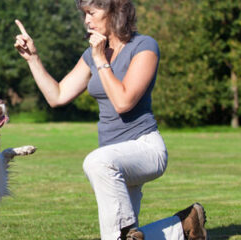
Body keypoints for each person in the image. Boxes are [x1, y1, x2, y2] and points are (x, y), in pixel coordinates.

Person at [13, 0, 207, 239]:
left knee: (96, 162)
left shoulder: (144, 46)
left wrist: (101, 60)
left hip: (145, 148)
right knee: (116, 235)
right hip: (113, 161)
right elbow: (58, 96)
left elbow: (123, 102)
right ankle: (185, 225)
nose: (86, 21)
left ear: (115, 11)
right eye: (84, 14)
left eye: (91, 13)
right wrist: (33, 58)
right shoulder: (90, 55)